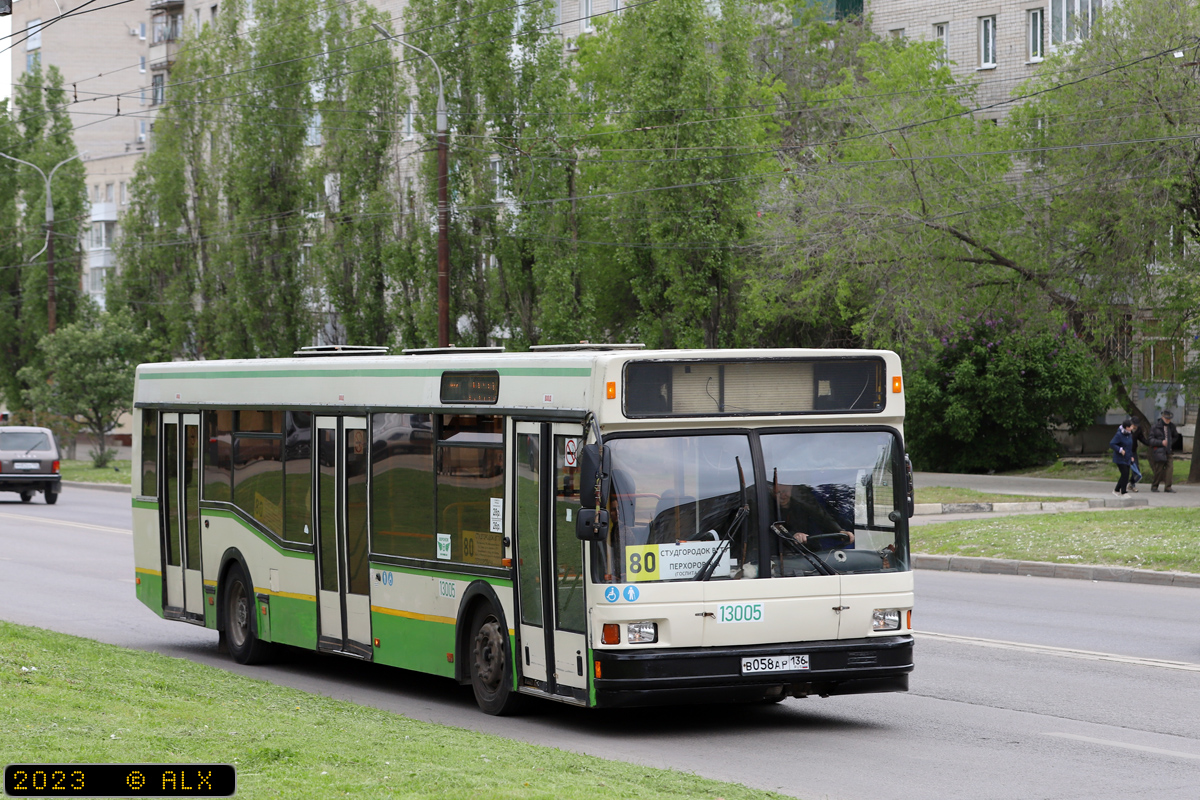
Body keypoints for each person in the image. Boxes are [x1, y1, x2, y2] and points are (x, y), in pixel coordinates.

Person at [773, 481, 854, 548]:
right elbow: (775, 527)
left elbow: (821, 516)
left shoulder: (802, 500)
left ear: (791, 488)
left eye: (785, 492)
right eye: (778, 493)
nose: (782, 496)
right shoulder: (768, 507)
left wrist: (839, 531)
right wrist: (793, 534)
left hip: (809, 553)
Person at [1148, 410, 1178, 493]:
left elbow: (1176, 436)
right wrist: (1160, 443)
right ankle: (1155, 486)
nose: (1168, 420)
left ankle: (1168, 487)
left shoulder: (1171, 426)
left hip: (1169, 451)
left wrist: (1171, 442)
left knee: (1170, 469)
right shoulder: (1155, 427)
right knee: (1159, 470)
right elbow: (1150, 440)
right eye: (1166, 419)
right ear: (1162, 417)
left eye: (1169, 419)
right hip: (1159, 451)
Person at [1109, 420, 1133, 497]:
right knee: (1125, 473)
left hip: (1127, 457)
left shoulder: (1129, 434)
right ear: (1127, 427)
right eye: (1131, 426)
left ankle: (1116, 490)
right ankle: (1123, 491)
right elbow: (1112, 443)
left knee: (1125, 474)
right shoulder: (1119, 434)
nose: (1132, 428)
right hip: (1120, 458)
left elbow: (1129, 446)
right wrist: (1120, 450)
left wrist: (1131, 456)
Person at [1127, 419, 1148, 492]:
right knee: (1125, 469)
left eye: (1136, 425)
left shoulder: (1138, 430)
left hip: (1133, 451)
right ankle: (1123, 485)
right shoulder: (1125, 428)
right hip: (1125, 451)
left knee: (1136, 469)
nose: (1135, 427)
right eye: (1134, 425)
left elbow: (1141, 438)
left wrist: (1149, 443)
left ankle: (1131, 483)